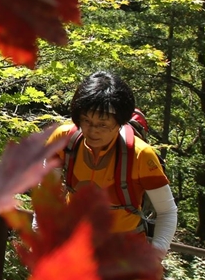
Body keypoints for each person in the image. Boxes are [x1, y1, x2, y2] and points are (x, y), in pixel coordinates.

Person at [47, 71, 178, 256]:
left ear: (120, 123)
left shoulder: (140, 155)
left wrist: (155, 257)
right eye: (86, 121)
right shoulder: (64, 139)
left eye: (103, 124)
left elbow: (167, 212)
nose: (92, 131)